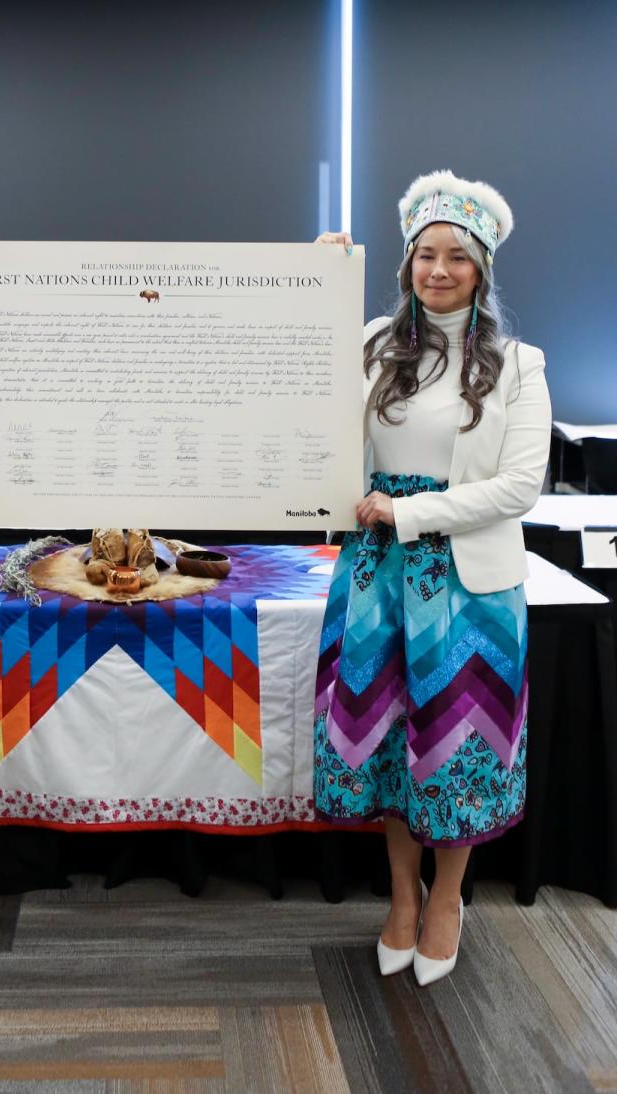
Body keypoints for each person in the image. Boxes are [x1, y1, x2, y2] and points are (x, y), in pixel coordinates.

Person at [313, 170, 551, 986]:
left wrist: (409, 513)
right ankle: (402, 896)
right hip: (378, 580)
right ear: (408, 264)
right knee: (388, 745)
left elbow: (522, 487)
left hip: (469, 585)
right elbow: (308, 407)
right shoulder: (375, 344)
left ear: (481, 268)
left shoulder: (518, 364)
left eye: (457, 256)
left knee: (455, 746)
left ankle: (448, 895)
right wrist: (321, 285)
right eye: (425, 256)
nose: (438, 270)